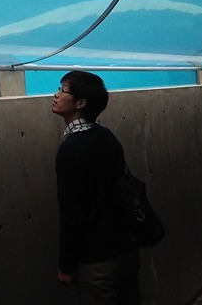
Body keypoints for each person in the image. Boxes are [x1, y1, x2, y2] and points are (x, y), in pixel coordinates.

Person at [53, 71, 140, 304]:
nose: (56, 94)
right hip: (126, 248)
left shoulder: (71, 148)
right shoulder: (106, 135)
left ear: (80, 103)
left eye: (63, 90)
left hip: (97, 260)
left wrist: (67, 266)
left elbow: (73, 213)